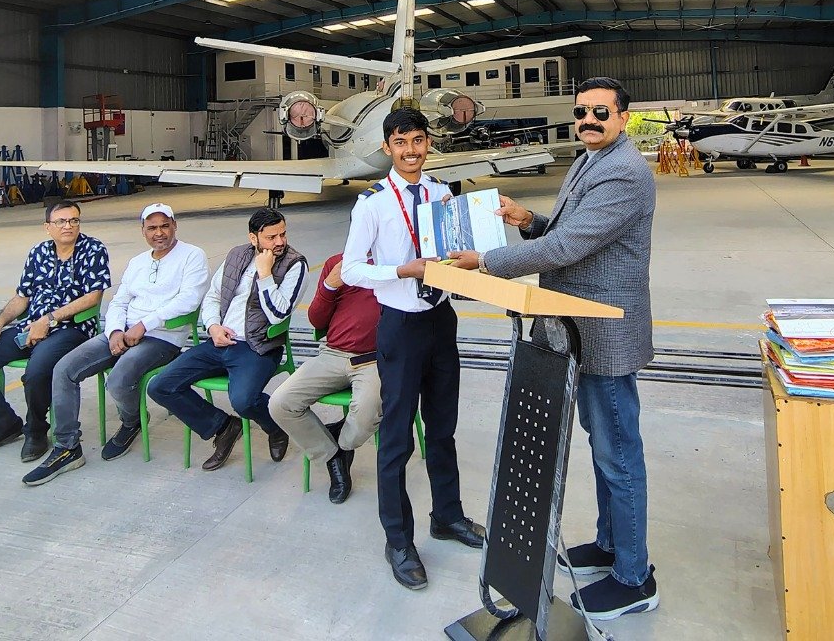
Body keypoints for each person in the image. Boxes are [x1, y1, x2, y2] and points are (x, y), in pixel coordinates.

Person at [451, 76, 658, 620]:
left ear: (624, 117)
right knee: (603, 445)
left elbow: (568, 247)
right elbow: (569, 231)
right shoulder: (591, 159)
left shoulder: (624, 171)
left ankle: (635, 579)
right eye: (581, 111)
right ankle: (610, 546)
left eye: (601, 112)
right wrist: (528, 221)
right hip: (579, 328)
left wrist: (486, 261)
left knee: (618, 454)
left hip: (605, 334)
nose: (588, 120)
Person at [342, 107, 485, 592]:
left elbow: (456, 251)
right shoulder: (372, 204)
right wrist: (402, 271)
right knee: (397, 437)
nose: (410, 151)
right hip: (400, 327)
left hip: (441, 321)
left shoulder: (442, 194)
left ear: (428, 144)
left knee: (442, 428)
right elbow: (351, 270)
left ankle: (447, 516)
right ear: (387, 148)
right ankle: (398, 540)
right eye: (401, 143)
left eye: (418, 141)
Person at [21, 203, 210, 487]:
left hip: (162, 337)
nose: (159, 233)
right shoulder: (138, 262)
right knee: (64, 369)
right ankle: (67, 448)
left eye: (164, 226)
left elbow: (189, 300)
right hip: (123, 332)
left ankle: (132, 421)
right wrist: (114, 332)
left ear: (174, 226)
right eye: (152, 228)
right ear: (143, 231)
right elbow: (119, 301)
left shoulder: (192, 255)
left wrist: (143, 325)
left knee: (119, 380)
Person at [0, 199, 111, 462]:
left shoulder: (93, 249)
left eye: (74, 220)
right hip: (31, 327)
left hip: (71, 329)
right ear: (48, 227)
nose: (68, 226)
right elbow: (22, 296)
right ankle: (1, 426)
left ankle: (36, 431)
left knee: (36, 372)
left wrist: (49, 319)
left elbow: (93, 297)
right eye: (61, 221)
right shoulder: (38, 252)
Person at [148, 207, 304, 472]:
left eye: (283, 234)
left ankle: (275, 426)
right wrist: (213, 326)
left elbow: (278, 315)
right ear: (253, 238)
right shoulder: (236, 255)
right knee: (160, 386)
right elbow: (213, 296)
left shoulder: (295, 265)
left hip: (257, 346)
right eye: (271, 237)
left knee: (243, 401)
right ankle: (223, 427)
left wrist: (265, 275)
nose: (279, 242)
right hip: (220, 341)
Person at [267, 251, 381, 504]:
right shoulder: (337, 263)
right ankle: (333, 457)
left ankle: (342, 441)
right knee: (280, 403)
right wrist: (330, 285)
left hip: (375, 358)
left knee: (367, 411)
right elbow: (317, 320)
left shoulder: (397, 261)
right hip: (334, 353)